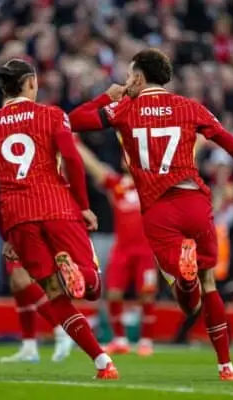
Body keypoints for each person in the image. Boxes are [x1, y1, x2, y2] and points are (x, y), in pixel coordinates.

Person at [68, 48, 233, 381]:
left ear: (137, 76)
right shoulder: (190, 106)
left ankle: (184, 277)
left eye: (128, 75)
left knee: (185, 294)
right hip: (194, 200)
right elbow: (231, 143)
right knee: (209, 286)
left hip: (159, 209)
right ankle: (226, 367)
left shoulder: (124, 107)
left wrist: (104, 97)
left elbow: (72, 122)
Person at [0, 58, 118, 379]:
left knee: (54, 295)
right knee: (92, 288)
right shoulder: (52, 114)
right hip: (58, 207)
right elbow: (73, 161)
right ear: (31, 83)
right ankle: (79, 273)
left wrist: (6, 233)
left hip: (18, 217)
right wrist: (83, 205)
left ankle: (103, 363)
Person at [0, 174, 74, 363]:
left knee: (20, 277)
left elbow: (18, 179)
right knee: (16, 284)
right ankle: (29, 346)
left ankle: (62, 329)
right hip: (14, 218)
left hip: (28, 217)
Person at [75, 138, 157, 357]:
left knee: (146, 295)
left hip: (145, 250)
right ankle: (120, 340)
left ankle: (146, 341)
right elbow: (95, 167)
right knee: (113, 294)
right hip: (122, 249)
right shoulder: (117, 185)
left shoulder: (150, 184)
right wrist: (75, 143)